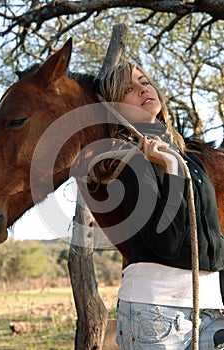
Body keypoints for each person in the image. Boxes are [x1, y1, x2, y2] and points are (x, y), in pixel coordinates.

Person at [96, 62, 224, 349]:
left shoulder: (187, 157)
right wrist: (171, 170)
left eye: (144, 81)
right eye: (129, 89)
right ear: (116, 107)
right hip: (157, 313)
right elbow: (167, 242)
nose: (143, 89)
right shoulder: (126, 159)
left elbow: (212, 238)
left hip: (210, 309)